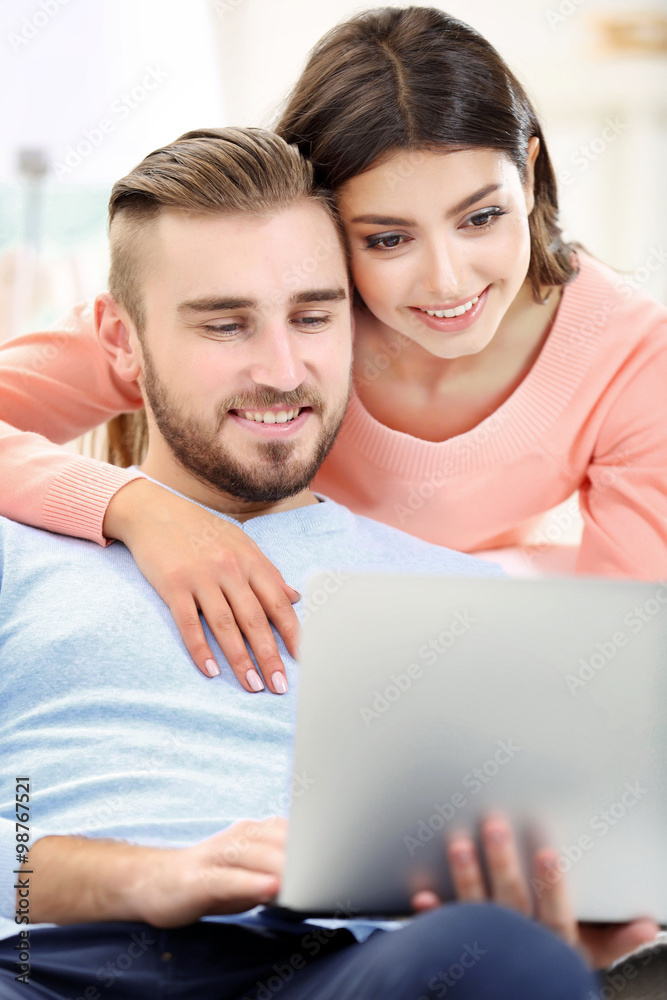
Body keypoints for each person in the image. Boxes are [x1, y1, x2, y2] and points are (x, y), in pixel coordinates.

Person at [0, 125, 635, 1000]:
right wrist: (140, 877)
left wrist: (569, 914)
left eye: (312, 315)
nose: (281, 369)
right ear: (120, 339)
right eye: (225, 323)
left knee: (505, 953)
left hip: (341, 968)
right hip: (44, 966)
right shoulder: (19, 550)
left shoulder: (467, 599)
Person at [1, 6, 666, 691]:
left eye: (481, 217)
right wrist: (136, 507)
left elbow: (624, 655)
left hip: (453, 654)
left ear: (526, 176)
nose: (447, 279)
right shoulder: (276, 303)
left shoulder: (631, 357)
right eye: (387, 238)